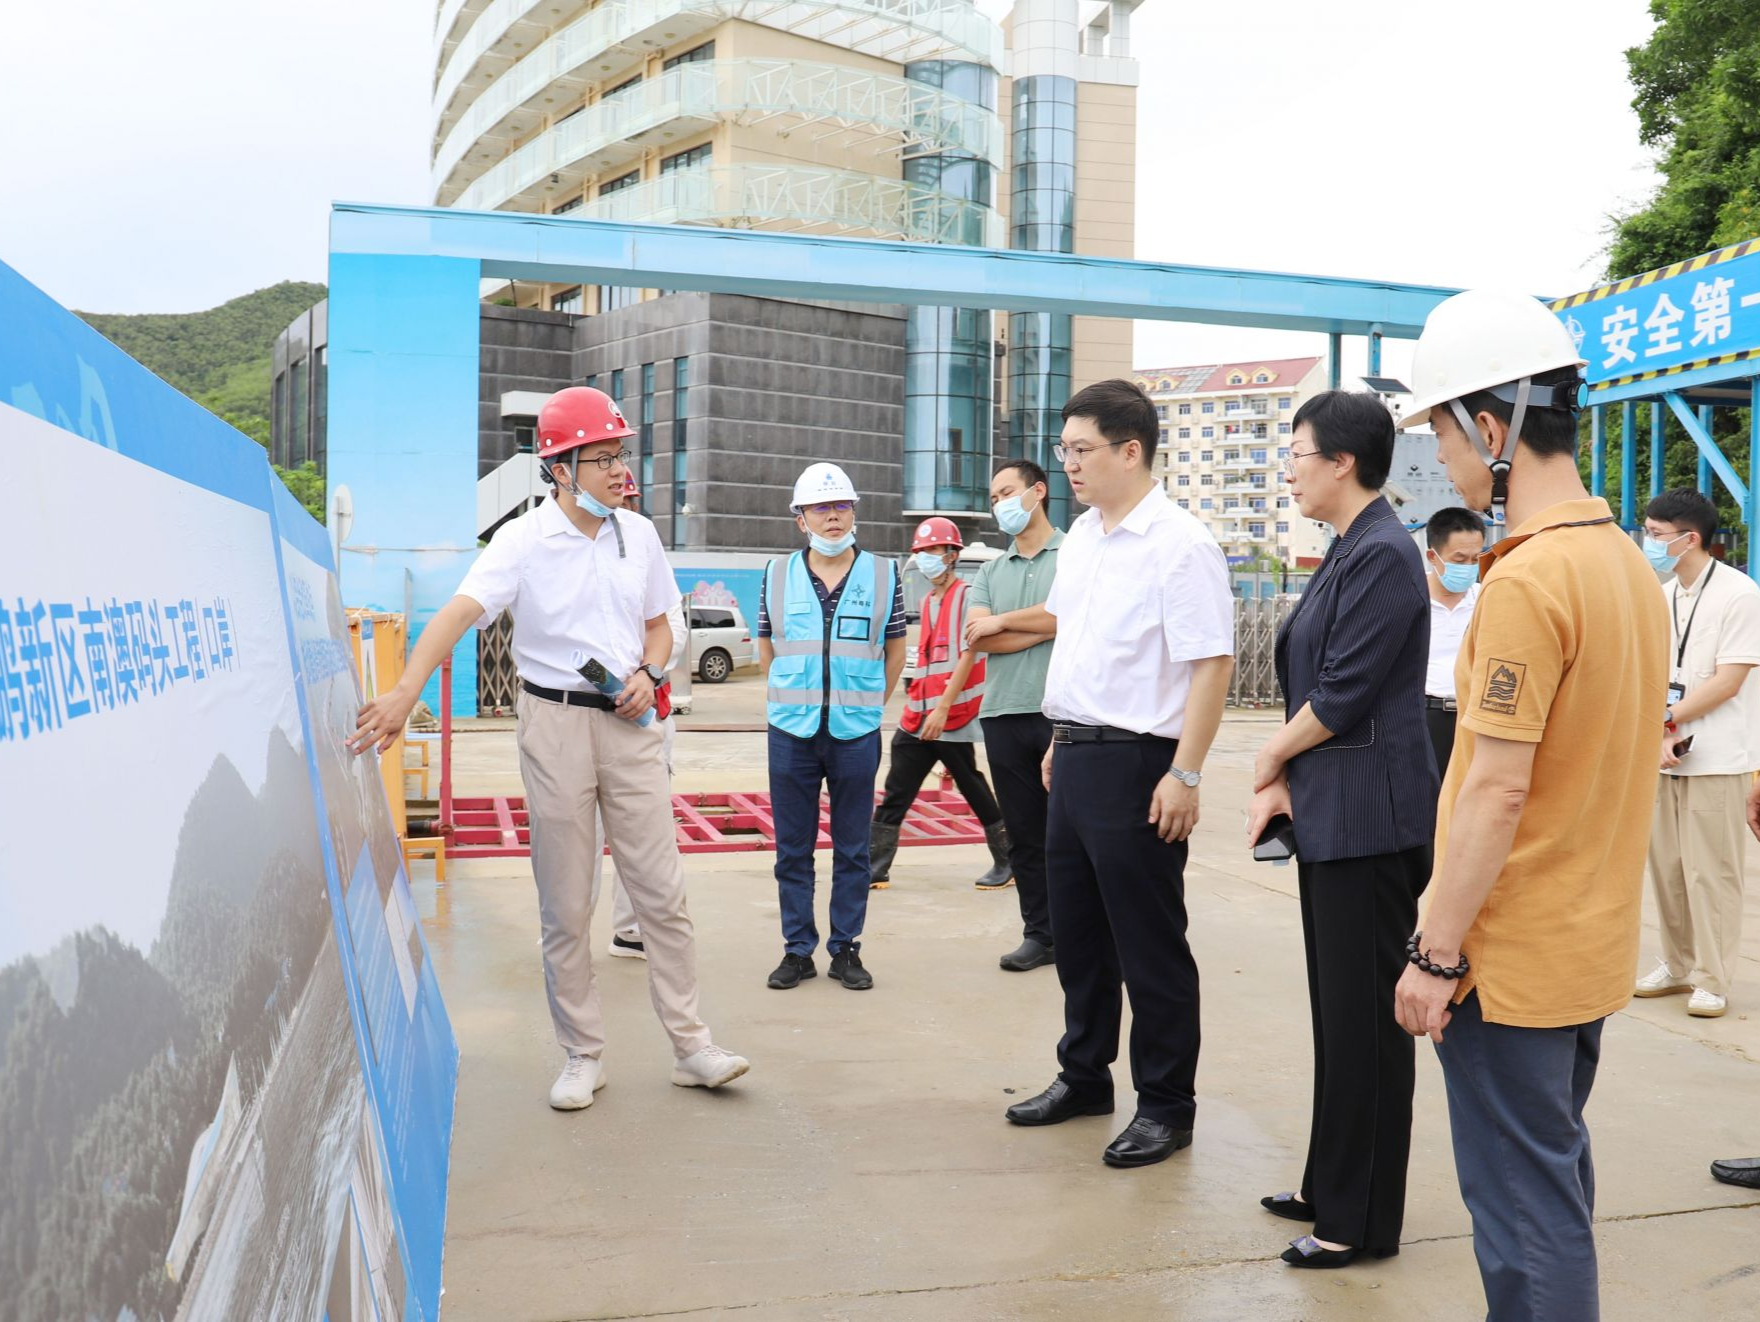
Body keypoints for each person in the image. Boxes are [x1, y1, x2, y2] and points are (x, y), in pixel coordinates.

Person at [351, 386, 749, 1109]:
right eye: (602, 459)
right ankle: (581, 1054)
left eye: (621, 455)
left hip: (631, 726)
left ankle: (692, 1046)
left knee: (662, 893)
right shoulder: (522, 542)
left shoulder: (640, 535)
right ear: (559, 467)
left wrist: (651, 671)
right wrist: (407, 689)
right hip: (554, 725)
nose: (619, 471)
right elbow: (459, 614)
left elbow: (662, 625)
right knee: (566, 902)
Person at [1390, 290, 1667, 1321]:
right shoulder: (1626, 569)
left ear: (1492, 427)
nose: (1442, 461)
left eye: (1442, 434)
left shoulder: (1525, 581)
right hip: (1585, 944)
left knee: (1521, 1218)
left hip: (1507, 963)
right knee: (1548, 1182)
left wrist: (1434, 950)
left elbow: (1498, 785)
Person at [979, 379, 1234, 1169]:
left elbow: (1213, 664)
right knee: (1081, 938)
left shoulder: (1180, 543)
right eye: (1063, 450)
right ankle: (1084, 1075)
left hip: (1141, 764)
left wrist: (1184, 775)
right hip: (1076, 753)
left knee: (1149, 945)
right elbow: (1081, 640)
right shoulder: (1085, 537)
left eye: (1082, 449)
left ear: (1132, 450)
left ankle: (1166, 1105)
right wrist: (1063, 733)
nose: (1069, 465)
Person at [1245, 391, 1438, 1269]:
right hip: (1332, 814)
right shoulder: (1349, 550)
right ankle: (1330, 1182)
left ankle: (1359, 1221)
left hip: (1368, 820)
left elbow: (1345, 689)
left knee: (1366, 1023)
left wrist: (1266, 760)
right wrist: (1287, 772)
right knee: (1339, 1015)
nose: (1288, 467)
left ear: (1342, 463)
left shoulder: (1386, 555)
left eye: (1297, 453)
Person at [760, 462, 906, 991]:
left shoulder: (885, 573)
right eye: (820, 508)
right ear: (800, 519)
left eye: (841, 506)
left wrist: (868, 704)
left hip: (855, 733)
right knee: (792, 850)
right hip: (791, 732)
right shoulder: (776, 574)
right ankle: (798, 949)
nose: (832, 516)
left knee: (852, 849)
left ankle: (846, 949)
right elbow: (767, 644)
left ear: (854, 511)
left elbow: (895, 650)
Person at [1636, 487, 1760, 1019]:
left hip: (1717, 757)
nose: (1648, 542)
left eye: (1657, 535)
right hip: (1666, 753)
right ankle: (1676, 963)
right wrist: (1660, 731)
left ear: (1691, 539)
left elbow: (1729, 680)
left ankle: (1712, 976)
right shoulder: (1663, 595)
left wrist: (1666, 720)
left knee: (1712, 871)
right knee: (1666, 868)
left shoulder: (1739, 594)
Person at [869, 518, 1011, 891]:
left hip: (950, 714)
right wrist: (923, 706)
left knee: (968, 783)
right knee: (905, 785)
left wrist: (944, 710)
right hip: (921, 713)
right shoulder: (927, 602)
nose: (928, 559)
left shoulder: (967, 597)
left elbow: (969, 653)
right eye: (922, 553)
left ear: (951, 555)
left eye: (934, 552)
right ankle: (874, 866)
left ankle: (1008, 859)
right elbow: (931, 661)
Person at [965, 459, 1063, 972]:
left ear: (1038, 492)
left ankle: (1080, 931)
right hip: (1002, 714)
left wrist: (1005, 623)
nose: (999, 503)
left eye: (1007, 492)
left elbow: (1070, 614)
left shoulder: (1074, 554)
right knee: (1025, 834)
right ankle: (1040, 934)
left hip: (1060, 714)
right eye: (993, 496)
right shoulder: (989, 569)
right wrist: (1047, 624)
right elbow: (979, 636)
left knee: (1069, 833)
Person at [590, 473, 690, 960]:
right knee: (577, 834)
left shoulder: (646, 551)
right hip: (586, 712)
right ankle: (567, 931)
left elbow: (672, 630)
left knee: (642, 832)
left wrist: (645, 673)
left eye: (631, 498)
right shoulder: (576, 555)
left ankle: (630, 930)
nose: (623, 506)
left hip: (646, 716)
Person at [1421, 507, 1488, 776]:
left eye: (1475, 559)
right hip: (1425, 718)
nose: (1468, 568)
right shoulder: (1408, 600)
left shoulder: (1487, 597)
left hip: (1474, 719)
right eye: (1459, 560)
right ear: (1433, 557)